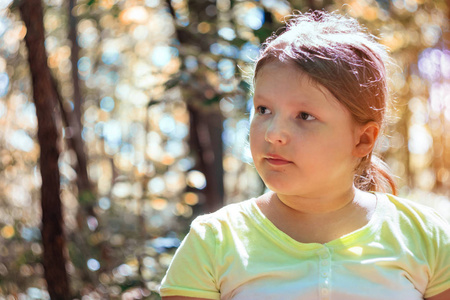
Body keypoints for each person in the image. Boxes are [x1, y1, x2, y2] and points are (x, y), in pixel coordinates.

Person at [159, 10, 450, 300]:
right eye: (263, 110)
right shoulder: (213, 242)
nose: (273, 133)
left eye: (304, 116)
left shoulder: (427, 238)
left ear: (362, 139)